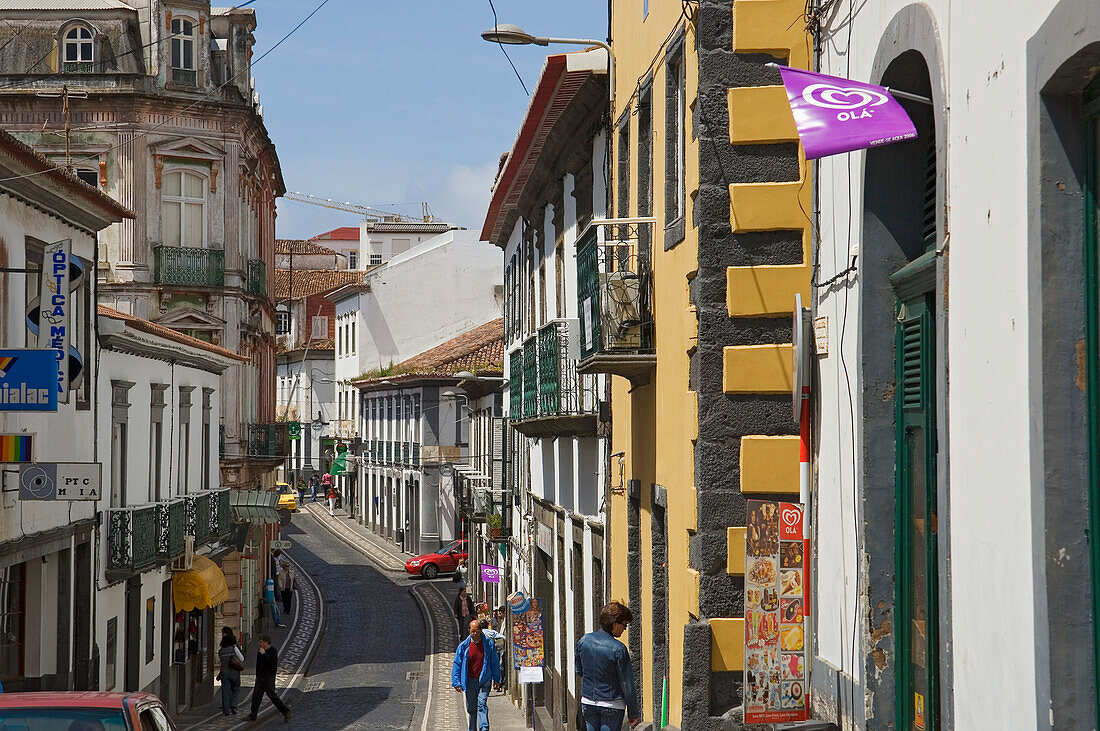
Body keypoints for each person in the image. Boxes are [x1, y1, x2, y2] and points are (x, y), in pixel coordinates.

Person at [575, 601, 641, 731]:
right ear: (615, 623)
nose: (624, 629)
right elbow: (627, 684)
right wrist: (633, 713)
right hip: (612, 704)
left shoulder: (584, 640)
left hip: (588, 701)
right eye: (624, 625)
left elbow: (579, 670)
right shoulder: (619, 649)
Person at [452, 618, 502, 731]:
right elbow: (457, 664)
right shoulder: (464, 646)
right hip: (470, 680)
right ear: (469, 631)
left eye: (477, 631)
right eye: (473, 631)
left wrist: (497, 679)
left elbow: (494, 661)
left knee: (481, 704)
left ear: (481, 630)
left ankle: (484, 728)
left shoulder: (488, 644)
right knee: (472, 709)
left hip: (485, 679)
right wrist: (456, 682)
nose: (475, 633)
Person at [248, 634, 291, 723]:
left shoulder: (272, 651)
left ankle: (286, 711)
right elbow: (258, 664)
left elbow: (272, 664)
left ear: (266, 642)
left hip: (268, 679)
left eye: (261, 642)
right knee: (255, 698)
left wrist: (264, 654)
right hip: (260, 678)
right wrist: (257, 676)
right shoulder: (260, 651)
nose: (259, 644)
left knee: (273, 697)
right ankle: (253, 716)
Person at [217, 627, 244, 715]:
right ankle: (233, 704)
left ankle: (226, 710)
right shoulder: (234, 649)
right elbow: (242, 658)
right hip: (234, 672)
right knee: (236, 688)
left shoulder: (220, 651)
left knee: (225, 691)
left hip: (224, 672)